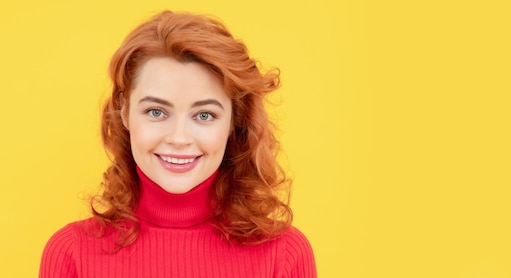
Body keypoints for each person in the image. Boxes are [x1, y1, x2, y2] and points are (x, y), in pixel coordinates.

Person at [40, 10, 316, 278]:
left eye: (204, 115)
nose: (179, 138)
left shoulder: (284, 255)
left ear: (234, 122)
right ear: (124, 111)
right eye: (156, 112)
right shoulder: (70, 253)